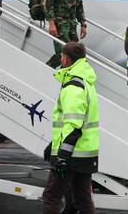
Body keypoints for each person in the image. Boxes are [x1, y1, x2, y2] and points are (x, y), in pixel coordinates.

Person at [42, 42, 99, 214]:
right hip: (85, 153)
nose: (60, 59)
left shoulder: (73, 86)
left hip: (72, 154)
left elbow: (73, 126)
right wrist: (53, 145)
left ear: (66, 60)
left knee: (51, 196)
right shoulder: (86, 83)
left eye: (61, 56)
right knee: (82, 199)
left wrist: (62, 156)